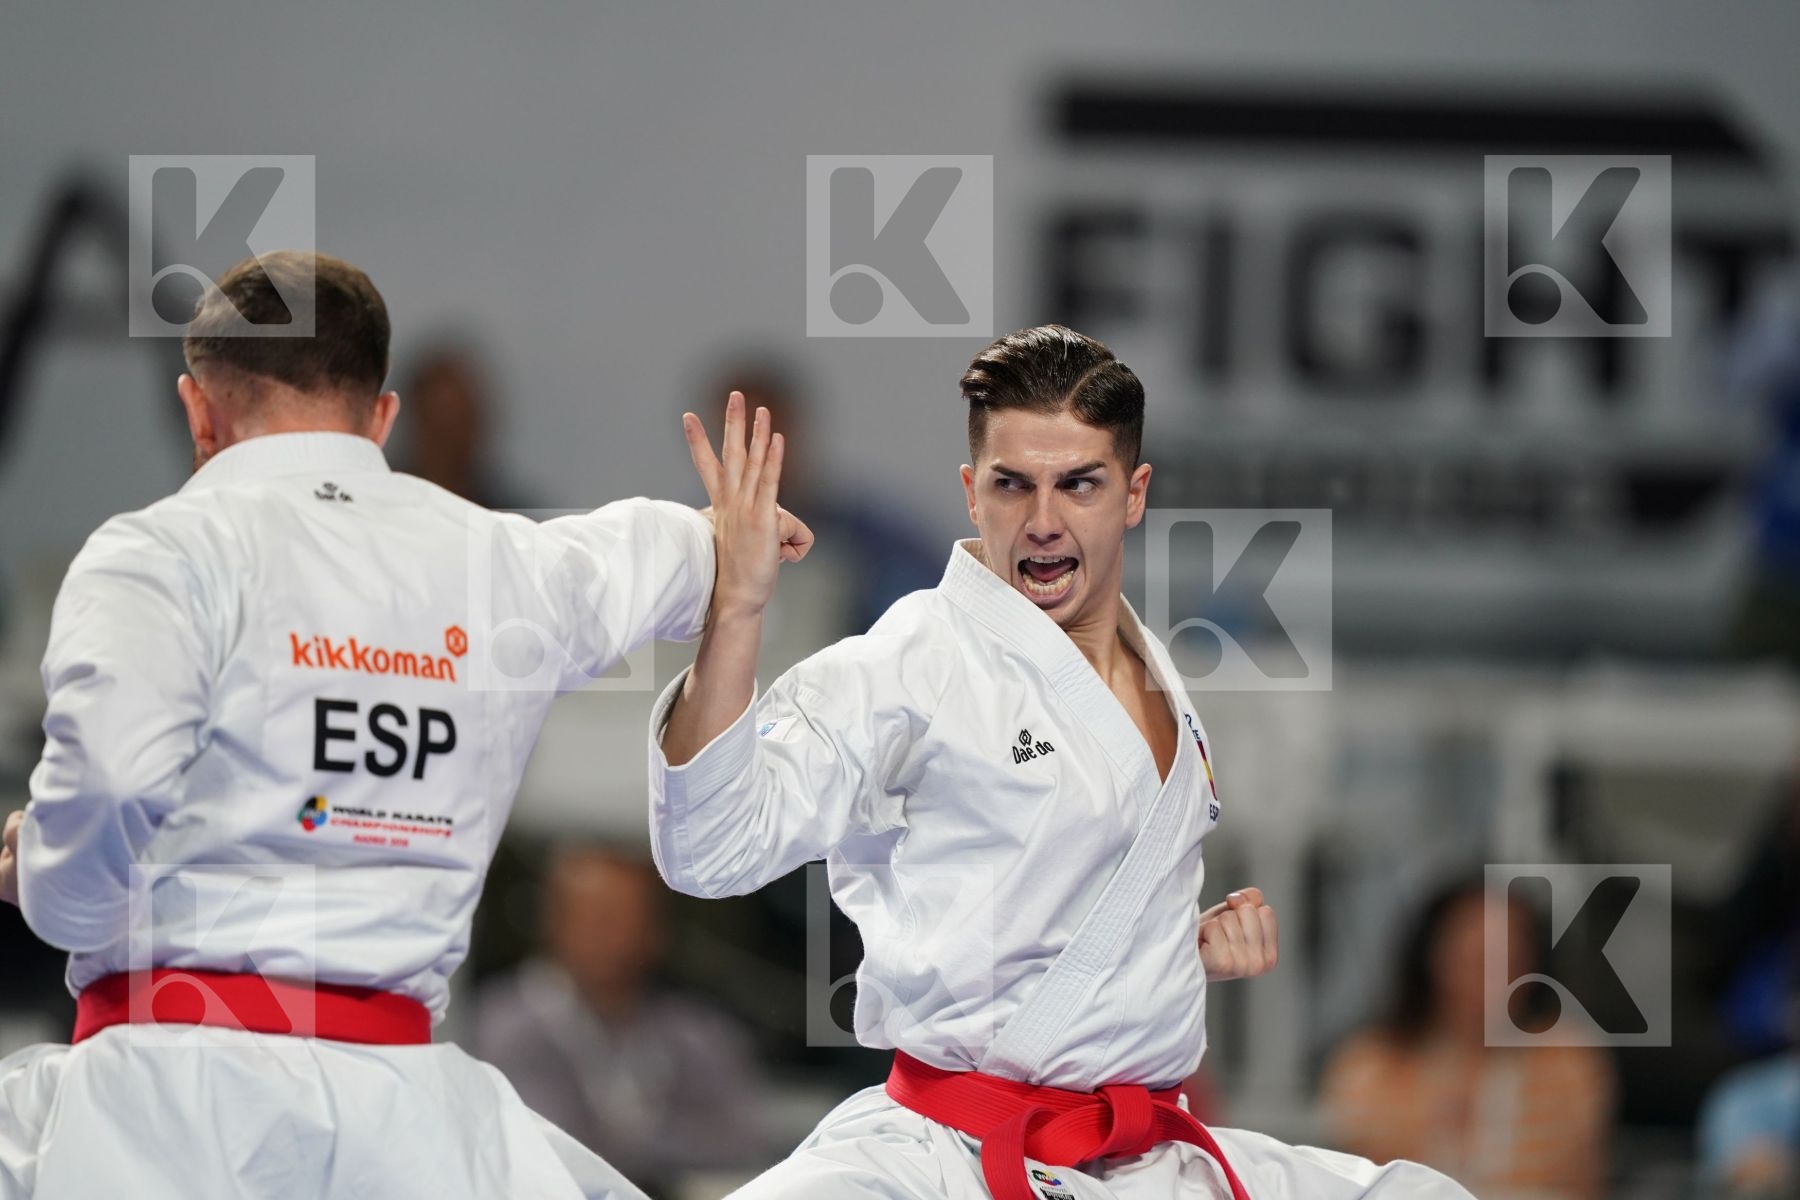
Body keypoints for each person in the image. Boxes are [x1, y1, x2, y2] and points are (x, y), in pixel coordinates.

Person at [0, 250, 808, 1199]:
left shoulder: (157, 555)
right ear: (381, 416)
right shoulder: (501, 564)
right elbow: (657, 550)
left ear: (198, 412)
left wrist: (50, 882)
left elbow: (114, 784)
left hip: (166, 1111)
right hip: (408, 1129)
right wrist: (723, 544)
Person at [648, 325, 1475, 1198]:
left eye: (1079, 484)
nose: (1043, 522)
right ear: (972, 493)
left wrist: (1174, 945)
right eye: (1014, 485)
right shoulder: (916, 661)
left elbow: (1069, 889)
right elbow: (710, 848)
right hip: (949, 1156)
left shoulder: (1155, 665)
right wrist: (734, 612)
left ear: (1134, 493)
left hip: (1146, 1159)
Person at [473, 843, 775, 1195]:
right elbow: (540, 1142)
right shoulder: (508, 1024)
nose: (608, 936)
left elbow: (743, 1139)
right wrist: (652, 1143)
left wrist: (628, 1142)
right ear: (553, 922)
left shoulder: (695, 1032)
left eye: (624, 918)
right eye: (592, 917)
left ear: (656, 931)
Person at [1319, 878, 1616, 1200]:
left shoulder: (1567, 1063)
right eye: (1474, 960)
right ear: (1433, 960)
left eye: (1510, 962)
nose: (1491, 982)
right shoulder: (1372, 1065)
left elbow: (1581, 1185)